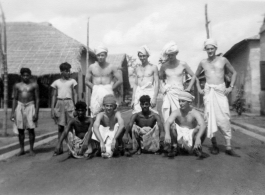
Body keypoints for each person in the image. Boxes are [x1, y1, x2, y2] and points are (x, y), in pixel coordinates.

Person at [195, 38, 239, 157]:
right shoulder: (203, 62)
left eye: (212, 48)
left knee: (224, 117)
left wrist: (231, 87)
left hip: (220, 92)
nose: (210, 51)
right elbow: (195, 76)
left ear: (215, 49)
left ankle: (228, 147)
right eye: (208, 49)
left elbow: (234, 73)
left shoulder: (223, 60)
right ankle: (214, 145)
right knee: (210, 119)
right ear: (205, 50)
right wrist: (199, 88)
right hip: (209, 92)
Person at [159, 41, 196, 122]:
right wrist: (163, 88)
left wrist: (189, 88)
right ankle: (168, 131)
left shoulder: (183, 64)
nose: (170, 56)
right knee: (167, 114)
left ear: (176, 53)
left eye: (172, 54)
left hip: (179, 92)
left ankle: (180, 131)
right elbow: (160, 78)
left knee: (180, 115)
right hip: (168, 93)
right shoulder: (164, 66)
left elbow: (193, 76)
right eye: (169, 55)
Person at [164, 91, 206, 158]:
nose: (180, 104)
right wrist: (167, 134)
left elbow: (203, 124)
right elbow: (167, 122)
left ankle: (197, 148)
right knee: (172, 125)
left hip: (191, 136)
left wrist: (198, 138)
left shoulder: (194, 112)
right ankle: (174, 147)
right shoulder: (177, 112)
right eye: (179, 101)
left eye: (183, 101)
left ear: (189, 102)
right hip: (180, 137)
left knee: (201, 128)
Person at [86, 46, 123, 118]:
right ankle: (95, 128)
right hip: (96, 92)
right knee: (95, 112)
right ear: (96, 56)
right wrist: (94, 88)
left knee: (109, 112)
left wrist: (111, 88)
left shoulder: (111, 67)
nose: (100, 57)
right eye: (98, 55)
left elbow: (120, 80)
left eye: (102, 55)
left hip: (108, 91)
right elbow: (86, 81)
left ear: (106, 55)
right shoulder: (92, 67)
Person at [10, 68, 39, 156]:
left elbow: (37, 99)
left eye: (27, 75)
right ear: (21, 76)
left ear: (30, 75)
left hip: (30, 106)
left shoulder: (34, 85)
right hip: (20, 106)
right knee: (20, 129)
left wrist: (36, 112)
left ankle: (31, 149)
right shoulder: (17, 86)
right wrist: (12, 112)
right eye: (24, 75)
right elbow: (15, 99)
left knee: (31, 129)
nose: (26, 77)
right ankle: (22, 149)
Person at [51, 62, 78, 156]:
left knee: (70, 126)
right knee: (60, 127)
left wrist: (75, 107)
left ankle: (72, 148)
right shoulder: (56, 82)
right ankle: (59, 148)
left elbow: (75, 94)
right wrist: (52, 109)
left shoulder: (72, 81)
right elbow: (54, 96)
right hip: (59, 104)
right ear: (61, 72)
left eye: (69, 71)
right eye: (66, 71)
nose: (68, 73)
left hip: (69, 103)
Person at [131, 45, 159, 114]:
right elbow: (135, 84)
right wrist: (133, 99)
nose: (142, 58)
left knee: (152, 113)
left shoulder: (153, 67)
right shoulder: (137, 68)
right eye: (140, 56)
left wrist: (154, 98)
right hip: (139, 92)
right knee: (137, 114)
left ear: (147, 56)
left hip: (149, 92)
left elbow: (157, 83)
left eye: (144, 56)